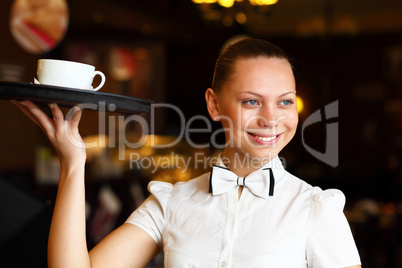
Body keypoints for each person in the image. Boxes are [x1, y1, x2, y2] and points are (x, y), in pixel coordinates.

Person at [12, 38, 362, 267]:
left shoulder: (315, 209)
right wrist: (73, 164)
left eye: (285, 102)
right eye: (251, 101)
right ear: (213, 104)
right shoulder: (171, 202)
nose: (271, 118)